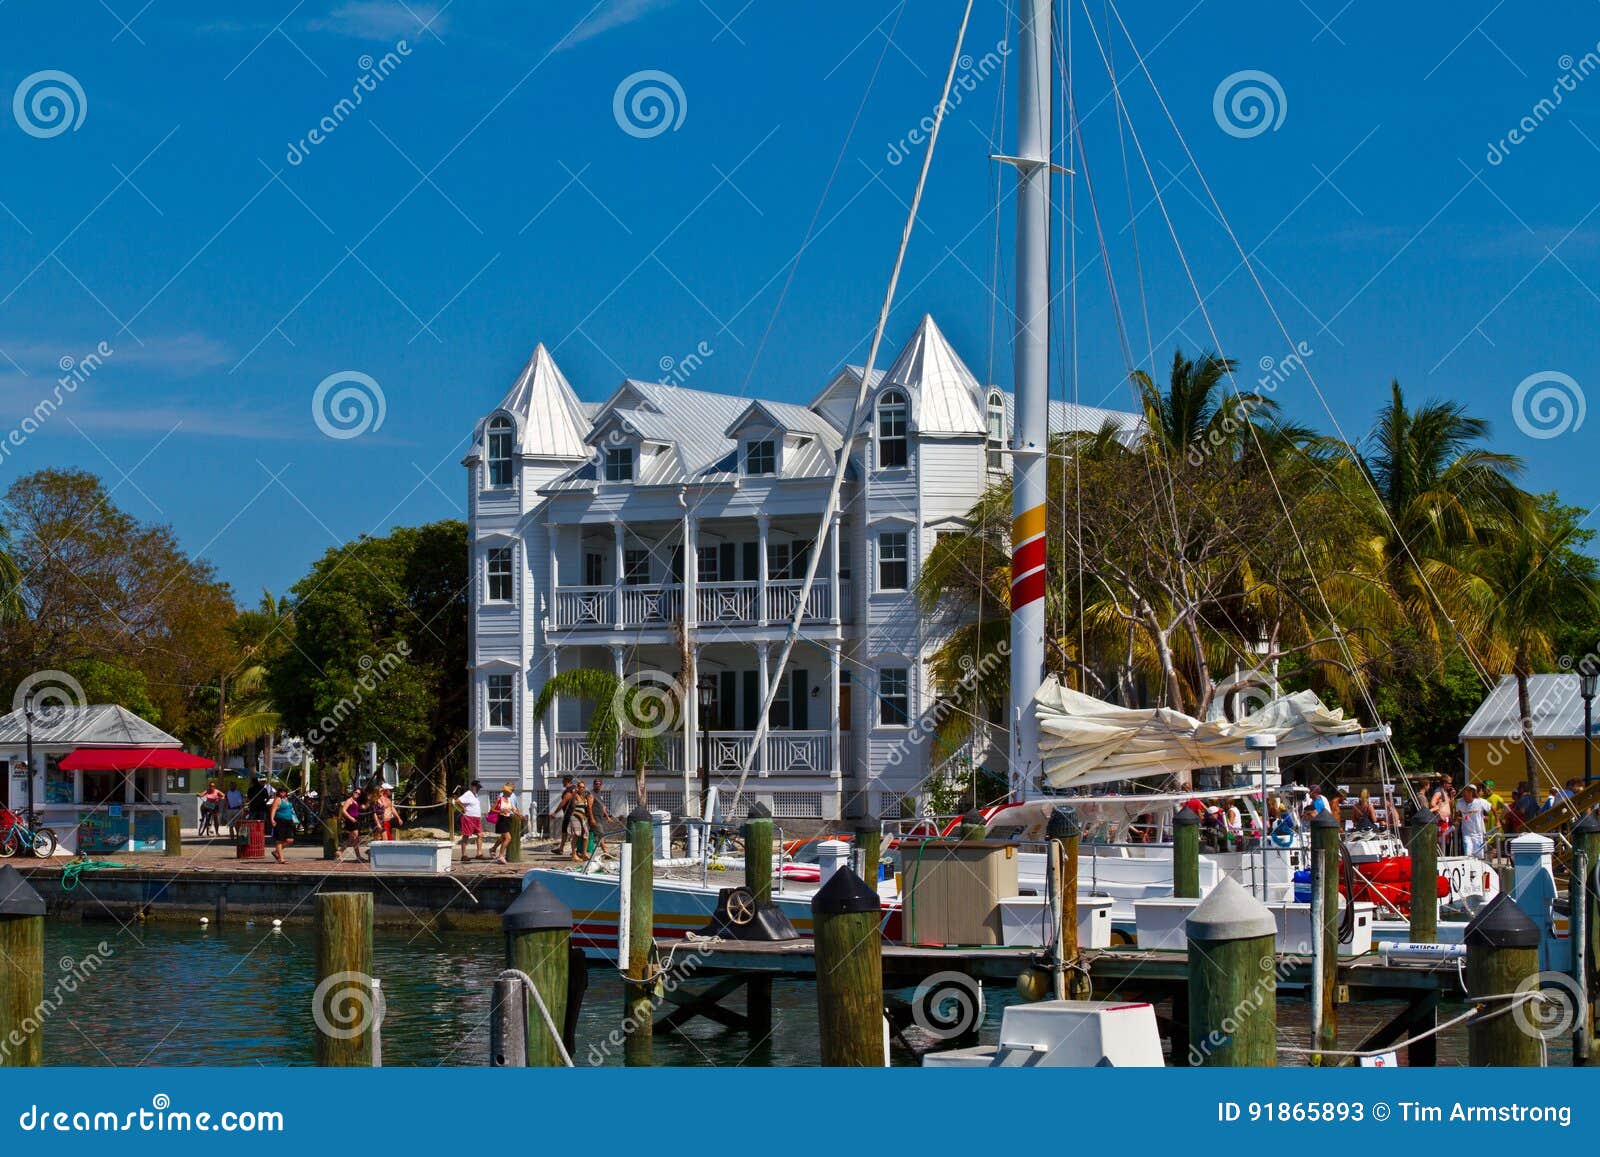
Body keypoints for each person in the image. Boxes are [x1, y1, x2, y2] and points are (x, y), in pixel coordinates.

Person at [1456, 784, 1492, 858]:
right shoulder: (1460, 802)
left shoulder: (1480, 802)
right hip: (1467, 833)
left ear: (1471, 793)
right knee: (1468, 853)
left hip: (1478, 833)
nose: (1464, 797)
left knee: (1479, 855)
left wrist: (1497, 821)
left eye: (1465, 795)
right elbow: (1458, 814)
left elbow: (1491, 809)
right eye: (1463, 795)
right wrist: (1457, 820)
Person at [492, 783, 521, 865]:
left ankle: (497, 852)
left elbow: (514, 809)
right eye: (511, 791)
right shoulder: (500, 799)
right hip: (501, 821)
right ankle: (501, 856)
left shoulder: (509, 800)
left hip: (507, 820)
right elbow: (492, 810)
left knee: (505, 838)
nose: (511, 793)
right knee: (508, 838)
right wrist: (501, 811)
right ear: (506, 792)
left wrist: (521, 816)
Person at [457, 780, 484, 860]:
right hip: (468, 817)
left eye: (479, 787)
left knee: (480, 835)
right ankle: (464, 855)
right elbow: (457, 801)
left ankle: (479, 853)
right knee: (466, 835)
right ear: (473, 786)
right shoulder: (468, 794)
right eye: (478, 787)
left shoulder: (475, 795)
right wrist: (463, 808)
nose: (479, 788)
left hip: (476, 818)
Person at [564, 781, 591, 863]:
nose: (582, 788)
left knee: (586, 835)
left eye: (583, 787)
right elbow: (571, 798)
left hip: (583, 817)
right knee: (576, 835)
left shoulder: (584, 797)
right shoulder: (575, 795)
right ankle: (573, 854)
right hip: (575, 817)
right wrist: (575, 790)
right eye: (580, 787)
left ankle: (584, 853)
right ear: (578, 787)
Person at [269, 787, 298, 864]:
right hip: (280, 821)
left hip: (289, 821)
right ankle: (281, 858)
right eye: (281, 792)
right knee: (280, 840)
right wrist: (272, 819)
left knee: (290, 840)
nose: (283, 793)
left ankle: (276, 852)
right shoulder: (277, 799)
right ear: (279, 792)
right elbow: (273, 810)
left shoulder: (287, 799)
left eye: (284, 792)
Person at [341, 786, 367, 862]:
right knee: (354, 838)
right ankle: (340, 851)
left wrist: (369, 800)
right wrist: (350, 818)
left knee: (354, 839)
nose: (357, 794)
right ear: (353, 792)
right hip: (350, 821)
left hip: (355, 821)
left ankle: (357, 856)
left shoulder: (356, 802)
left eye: (359, 794)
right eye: (356, 792)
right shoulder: (349, 800)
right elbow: (343, 810)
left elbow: (364, 807)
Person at [588, 778, 613, 856]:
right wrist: (591, 818)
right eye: (596, 784)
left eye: (599, 784)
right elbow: (589, 807)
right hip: (595, 818)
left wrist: (607, 816)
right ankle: (606, 852)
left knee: (591, 835)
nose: (598, 785)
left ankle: (582, 851)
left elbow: (603, 807)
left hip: (600, 818)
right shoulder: (591, 794)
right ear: (593, 784)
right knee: (601, 834)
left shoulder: (600, 794)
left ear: (601, 785)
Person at [553, 776, 577, 855]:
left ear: (567, 781)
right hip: (572, 813)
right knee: (565, 831)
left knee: (572, 832)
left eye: (563, 781)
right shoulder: (574, 788)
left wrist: (555, 812)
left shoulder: (569, 790)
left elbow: (563, 802)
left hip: (569, 813)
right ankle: (561, 848)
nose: (562, 782)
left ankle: (574, 850)